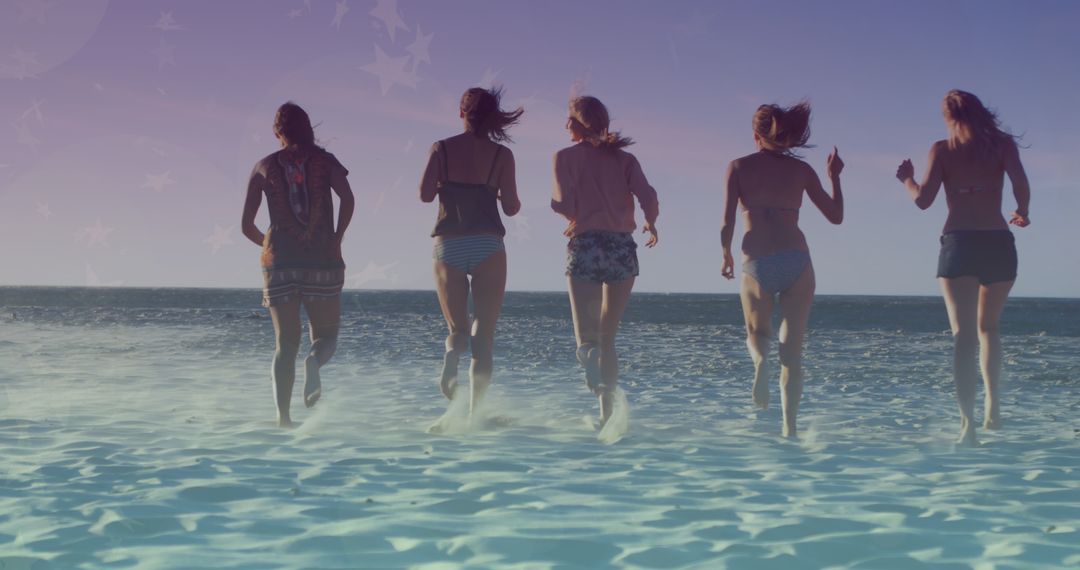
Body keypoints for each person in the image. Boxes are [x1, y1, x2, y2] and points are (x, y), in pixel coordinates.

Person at [896, 89, 1031, 447]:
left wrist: (906, 180)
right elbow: (1020, 182)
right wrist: (1022, 210)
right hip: (998, 243)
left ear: (947, 117)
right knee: (989, 328)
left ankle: (967, 425)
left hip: (959, 244)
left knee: (963, 337)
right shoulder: (1001, 145)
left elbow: (923, 200)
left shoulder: (942, 149)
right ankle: (994, 405)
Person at [720, 101, 844, 440]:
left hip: (757, 259)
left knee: (758, 335)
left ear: (755, 135)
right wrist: (835, 178)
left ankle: (760, 362)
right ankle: (790, 430)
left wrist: (726, 255)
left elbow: (728, 220)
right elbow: (835, 215)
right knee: (793, 351)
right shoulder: (802, 171)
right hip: (796, 259)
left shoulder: (738, 167)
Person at [241, 102, 355, 428]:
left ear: (277, 133)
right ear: (309, 129)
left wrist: (270, 245)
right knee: (327, 336)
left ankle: (283, 419)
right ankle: (315, 364)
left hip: (279, 265)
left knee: (285, 344)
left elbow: (246, 226)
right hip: (323, 258)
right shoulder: (326, 161)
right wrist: (337, 237)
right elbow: (347, 198)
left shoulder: (263, 166)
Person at [551, 95, 659, 427]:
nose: (565, 125)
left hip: (585, 245)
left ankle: (593, 378)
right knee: (608, 339)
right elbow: (649, 196)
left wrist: (569, 212)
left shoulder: (564, 157)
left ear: (575, 124)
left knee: (587, 340)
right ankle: (607, 416)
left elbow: (562, 203)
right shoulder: (625, 159)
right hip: (621, 248)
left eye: (568, 119)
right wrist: (651, 223)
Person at [419, 86, 522, 417]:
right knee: (484, 336)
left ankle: (451, 355)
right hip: (487, 243)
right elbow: (511, 207)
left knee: (459, 331)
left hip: (447, 244)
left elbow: (423, 195)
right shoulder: (502, 155)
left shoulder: (441, 148)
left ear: (460, 112)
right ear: (493, 117)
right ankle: (475, 413)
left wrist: (445, 185)